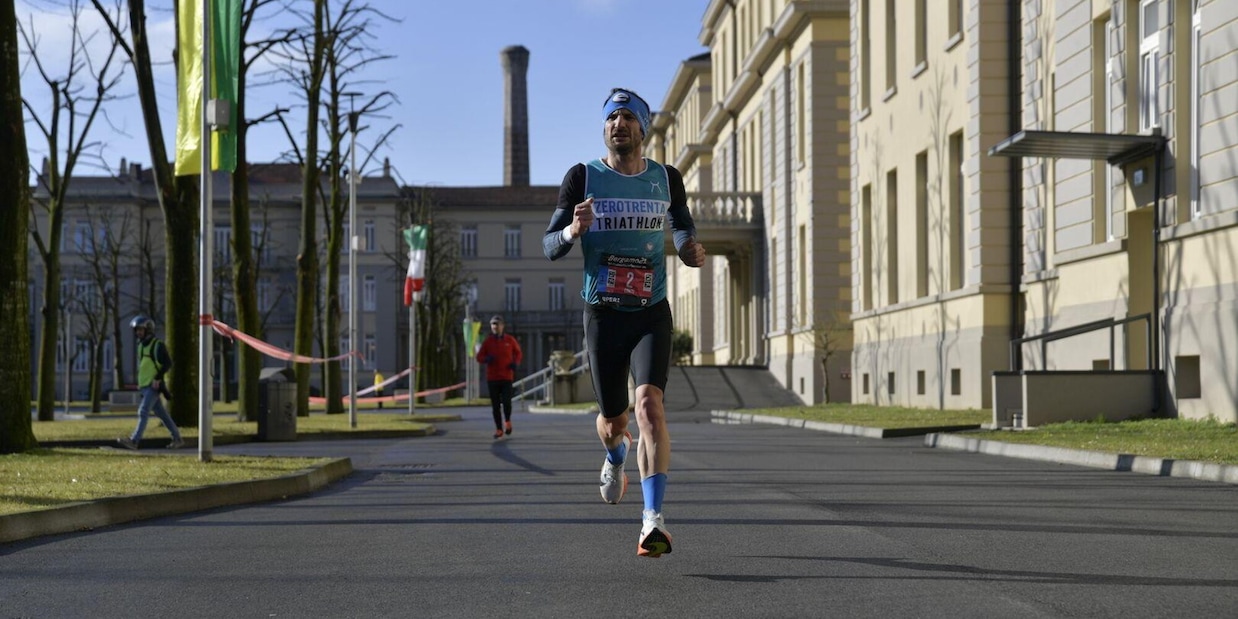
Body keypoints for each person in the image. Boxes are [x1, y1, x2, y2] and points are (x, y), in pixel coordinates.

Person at [542, 88, 706, 558]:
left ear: (642, 128)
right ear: (604, 128)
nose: (619, 125)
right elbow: (548, 244)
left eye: (628, 117)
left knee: (650, 408)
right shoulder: (582, 177)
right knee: (613, 422)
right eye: (611, 118)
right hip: (604, 314)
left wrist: (689, 248)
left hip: (651, 311)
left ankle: (652, 521)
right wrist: (573, 230)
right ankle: (615, 456)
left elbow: (682, 226)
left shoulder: (666, 178)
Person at [118, 315, 184, 450]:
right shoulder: (140, 346)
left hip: (153, 386)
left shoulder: (157, 345)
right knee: (163, 415)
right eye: (136, 330)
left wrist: (158, 378)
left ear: (148, 330)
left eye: (140, 330)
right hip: (144, 386)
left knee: (143, 411)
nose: (138, 333)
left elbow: (167, 363)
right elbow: (144, 366)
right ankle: (177, 439)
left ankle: (134, 441)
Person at [475, 315, 523, 439]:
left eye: (497, 324)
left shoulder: (510, 340)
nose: (495, 327)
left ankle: (507, 421)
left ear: (502, 326)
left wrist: (515, 363)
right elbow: (479, 357)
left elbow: (518, 353)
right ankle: (499, 429)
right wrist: (486, 359)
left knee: (507, 402)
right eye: (493, 324)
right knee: (495, 405)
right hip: (493, 378)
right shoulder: (488, 342)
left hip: (507, 376)